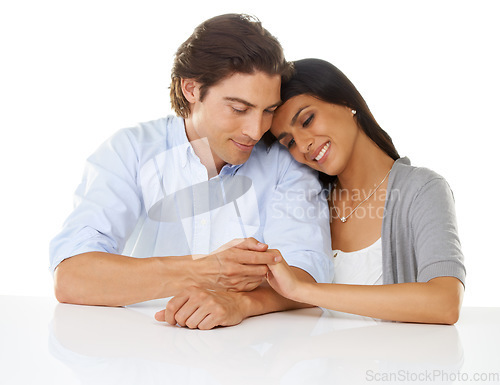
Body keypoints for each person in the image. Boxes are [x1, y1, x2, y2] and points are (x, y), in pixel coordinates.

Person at [49, 15, 333, 330]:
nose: (255, 130)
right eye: (239, 109)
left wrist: (241, 302)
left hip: (246, 361)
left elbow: (308, 278)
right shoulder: (131, 150)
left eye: (268, 110)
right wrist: (206, 270)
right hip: (140, 350)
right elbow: (72, 278)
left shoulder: (285, 163)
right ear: (191, 89)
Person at [266, 58, 465, 324]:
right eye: (289, 142)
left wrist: (303, 289)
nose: (303, 145)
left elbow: (445, 303)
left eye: (307, 120)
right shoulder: (307, 203)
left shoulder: (422, 190)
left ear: (347, 102)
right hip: (315, 359)